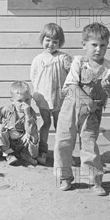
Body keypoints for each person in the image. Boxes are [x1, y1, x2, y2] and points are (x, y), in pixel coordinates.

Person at [53, 23, 110, 195]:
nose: (98, 49)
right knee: (64, 142)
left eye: (102, 45)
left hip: (92, 114)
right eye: (94, 45)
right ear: (84, 45)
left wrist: (108, 89)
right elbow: (72, 86)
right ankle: (65, 177)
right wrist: (86, 100)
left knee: (89, 144)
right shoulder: (78, 62)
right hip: (71, 108)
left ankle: (94, 181)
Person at [30, 23, 72, 165]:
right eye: (48, 40)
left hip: (60, 98)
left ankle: (64, 154)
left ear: (60, 43)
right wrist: (38, 92)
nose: (51, 44)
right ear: (42, 39)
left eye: (55, 42)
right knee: (45, 123)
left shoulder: (63, 58)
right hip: (44, 97)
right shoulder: (38, 59)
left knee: (61, 125)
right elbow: (34, 77)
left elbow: (72, 74)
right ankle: (43, 152)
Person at [0, 81, 39, 166]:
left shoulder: (31, 113)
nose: (24, 103)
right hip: (6, 143)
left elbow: (30, 132)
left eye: (27, 100)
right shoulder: (6, 110)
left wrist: (27, 115)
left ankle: (24, 154)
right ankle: (9, 154)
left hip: (19, 143)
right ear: (12, 101)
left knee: (33, 133)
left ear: (31, 98)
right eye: (20, 101)